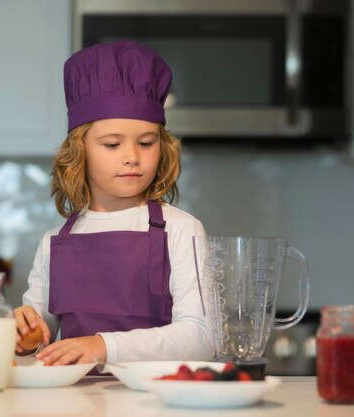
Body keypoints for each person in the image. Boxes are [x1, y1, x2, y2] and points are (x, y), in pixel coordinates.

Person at [13, 39, 213, 366]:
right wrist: (26, 334)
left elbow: (200, 337)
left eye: (146, 143)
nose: (132, 157)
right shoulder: (54, 242)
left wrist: (103, 347)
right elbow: (42, 331)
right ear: (80, 151)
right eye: (112, 144)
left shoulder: (181, 229)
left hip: (158, 401)